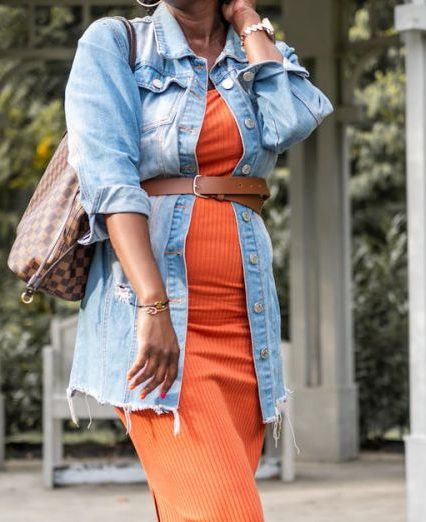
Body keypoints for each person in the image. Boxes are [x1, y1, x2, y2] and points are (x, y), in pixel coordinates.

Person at [64, 0, 333, 519]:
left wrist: (246, 19)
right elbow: (110, 183)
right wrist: (153, 305)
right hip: (160, 327)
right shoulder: (116, 45)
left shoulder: (252, 51)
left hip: (245, 329)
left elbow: (292, 120)